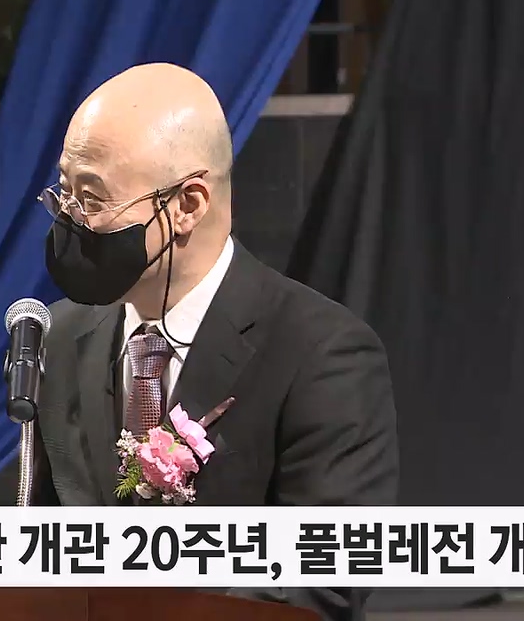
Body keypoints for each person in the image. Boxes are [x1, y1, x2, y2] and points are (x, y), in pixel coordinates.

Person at [32, 62, 399, 621]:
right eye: (65, 194)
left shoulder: (323, 355)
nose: (69, 219)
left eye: (93, 199)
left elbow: (319, 583)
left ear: (187, 205)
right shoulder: (60, 338)